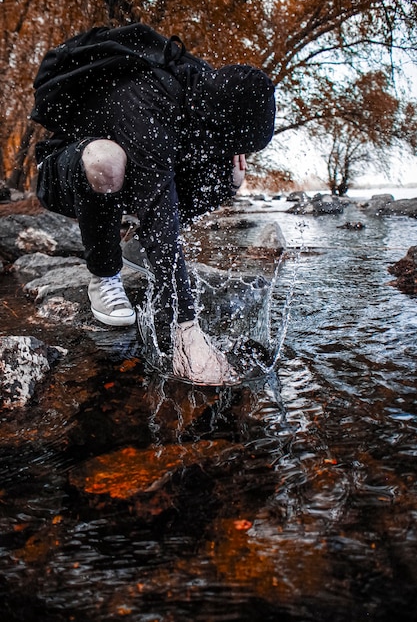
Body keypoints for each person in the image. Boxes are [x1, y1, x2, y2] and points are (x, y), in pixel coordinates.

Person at [34, 25, 276, 385]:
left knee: (232, 176)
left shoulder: (204, 100)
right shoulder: (147, 95)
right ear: (220, 122)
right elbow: (160, 211)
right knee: (106, 159)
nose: (232, 151)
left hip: (135, 176)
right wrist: (188, 335)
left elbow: (176, 185)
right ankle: (103, 275)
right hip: (66, 169)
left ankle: (133, 243)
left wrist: (229, 170)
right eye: (234, 143)